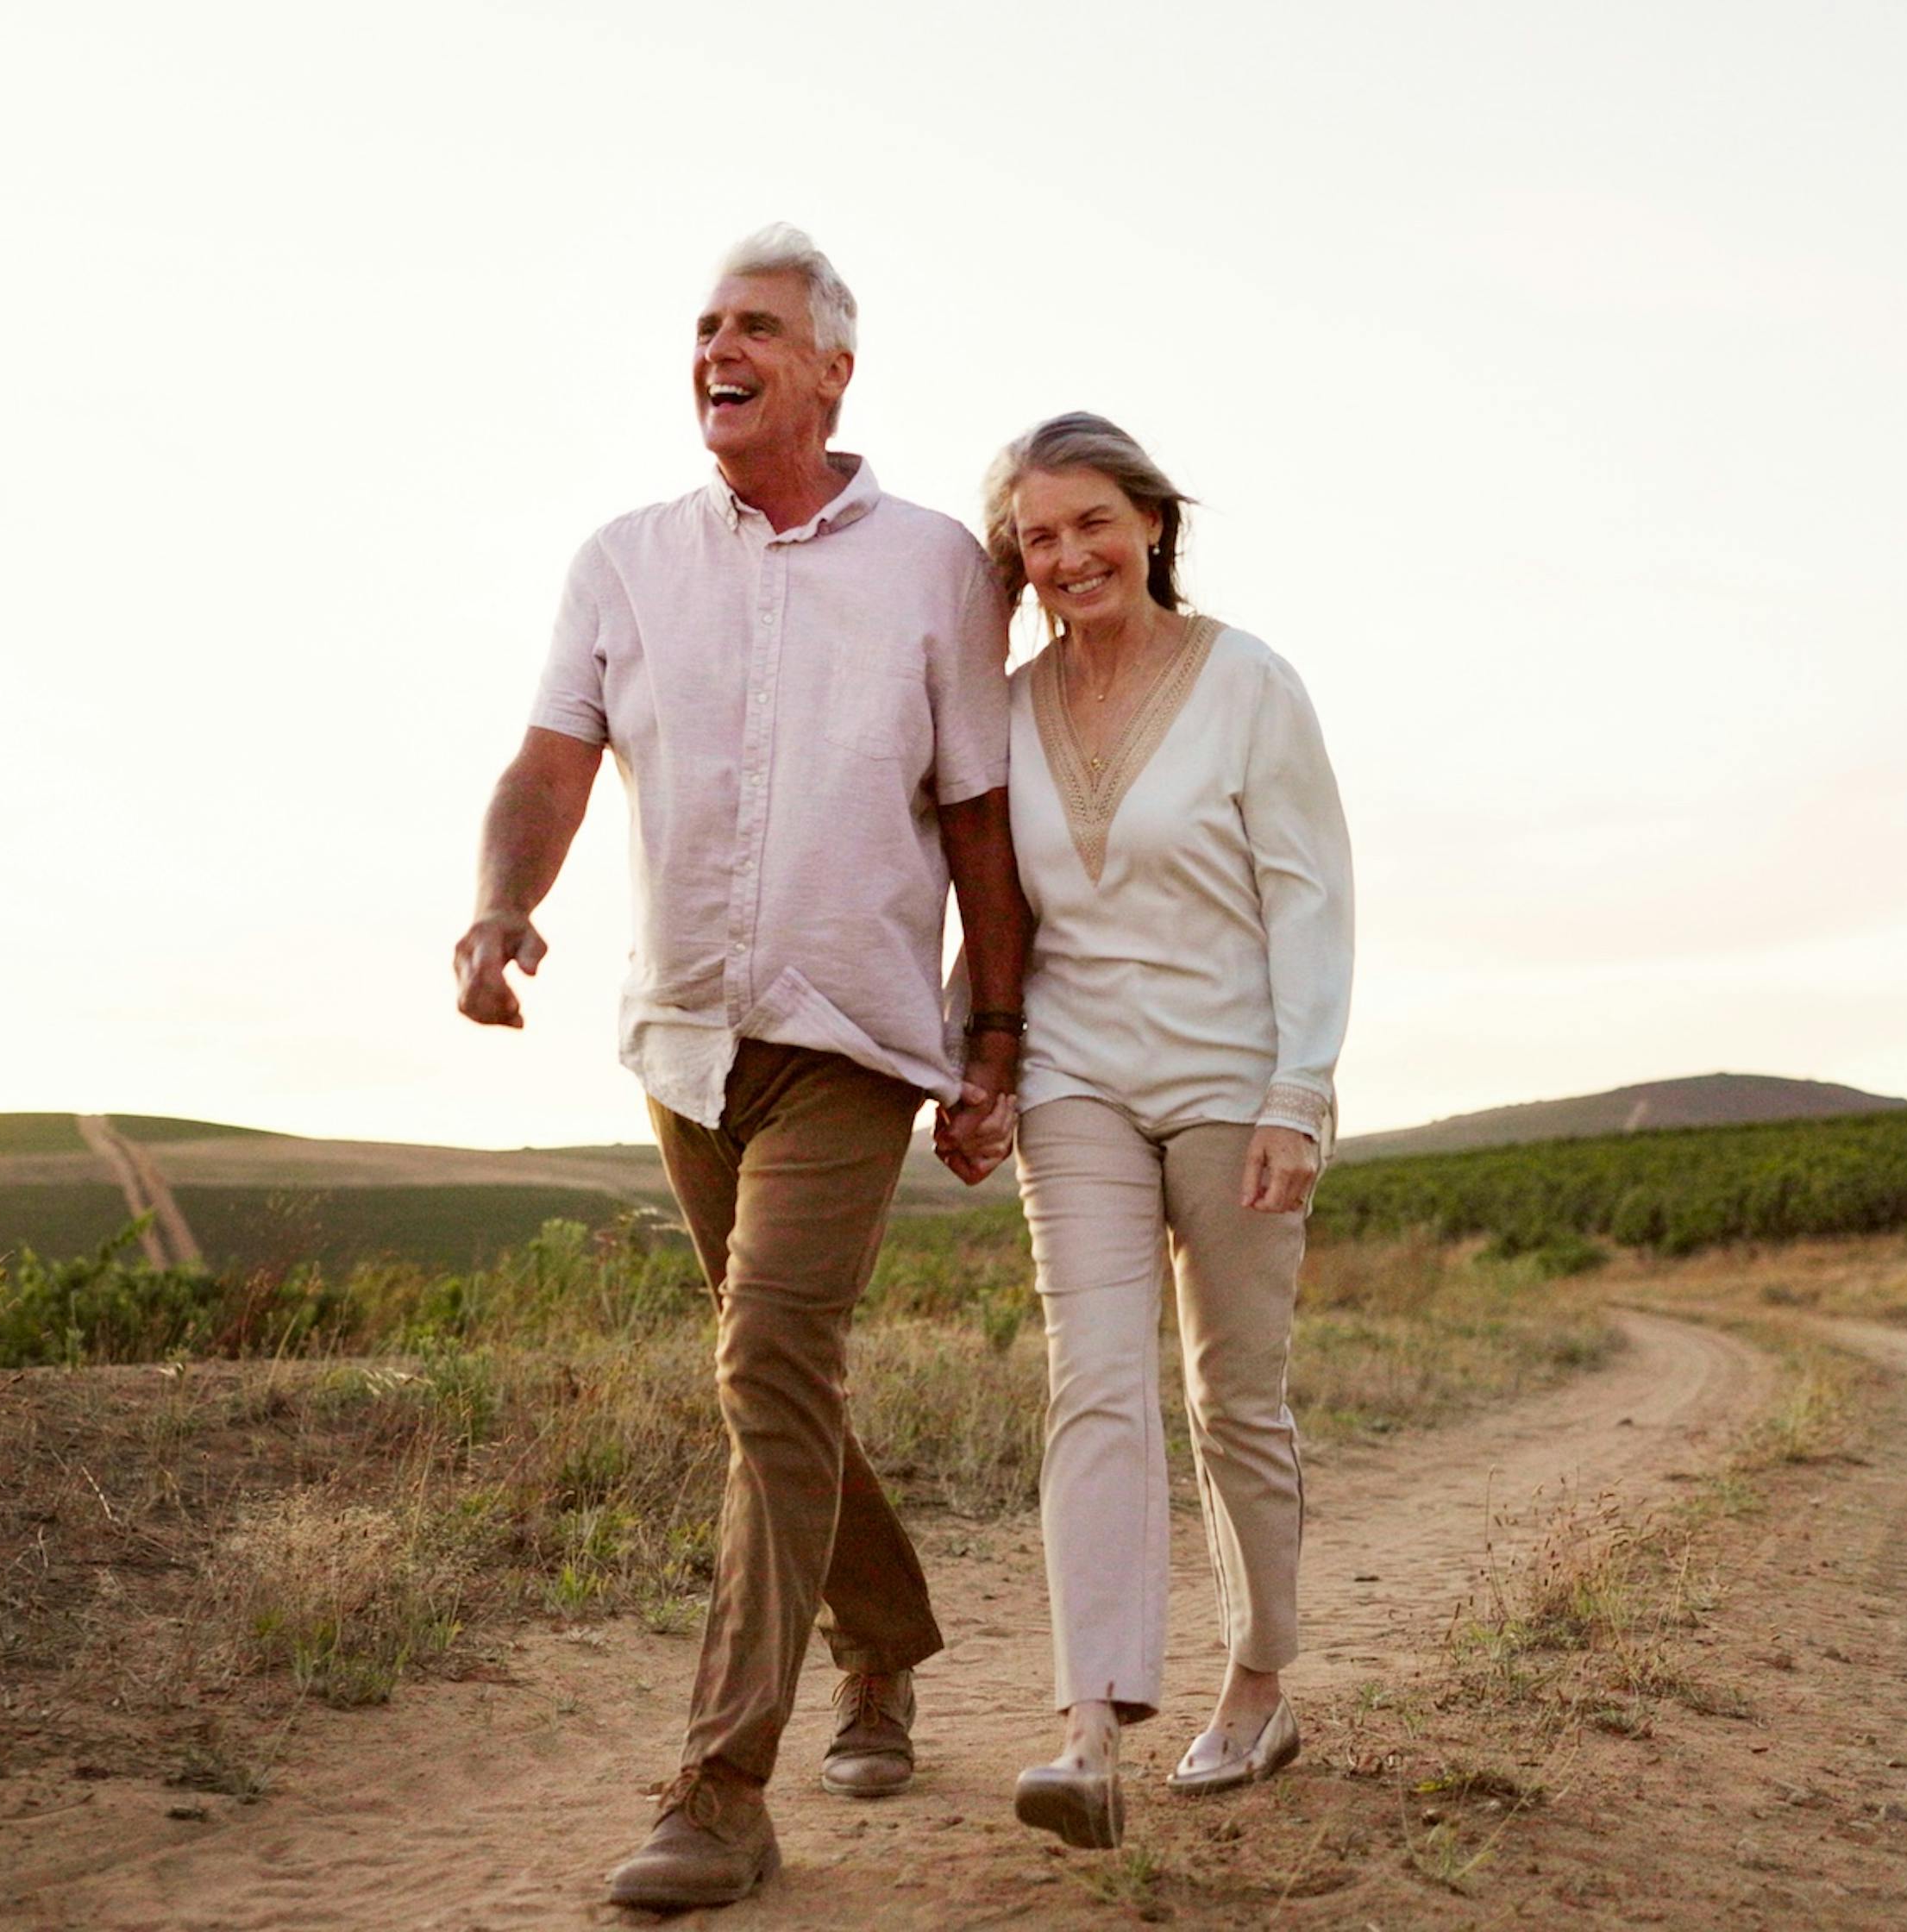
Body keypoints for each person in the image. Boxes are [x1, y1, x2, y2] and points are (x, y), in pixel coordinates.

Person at [453, 224, 1026, 1912]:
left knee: (769, 1360)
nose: (722, 346)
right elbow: (554, 763)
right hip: (685, 1043)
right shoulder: (624, 560)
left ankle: (719, 1786)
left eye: (758, 326)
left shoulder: (934, 566)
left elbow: (983, 822)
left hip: (852, 1038)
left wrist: (990, 1042)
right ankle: (886, 1642)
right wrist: (500, 911)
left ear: (834, 368)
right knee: (774, 1377)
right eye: (706, 325)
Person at [947, 412, 1353, 1851]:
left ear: (1153, 524)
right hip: (1075, 1079)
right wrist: (972, 1064)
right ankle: (1088, 1730)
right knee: (1093, 1378)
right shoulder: (999, 711)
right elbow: (993, 906)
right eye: (1039, 538)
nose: (1069, 557)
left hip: (1236, 1080)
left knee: (1234, 1393)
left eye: (1092, 525)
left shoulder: (1250, 683)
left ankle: (1256, 1683)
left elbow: (1310, 896)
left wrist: (1298, 1093)